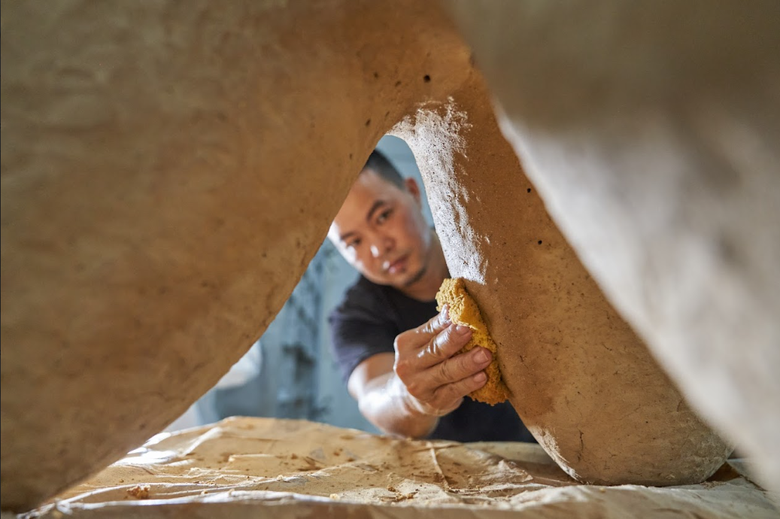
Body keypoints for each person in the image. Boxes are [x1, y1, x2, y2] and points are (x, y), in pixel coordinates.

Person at [328, 150, 535, 443]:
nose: (379, 248)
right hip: (461, 464)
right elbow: (372, 394)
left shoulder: (491, 248)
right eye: (354, 242)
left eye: (383, 216)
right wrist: (407, 398)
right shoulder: (355, 317)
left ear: (414, 193)